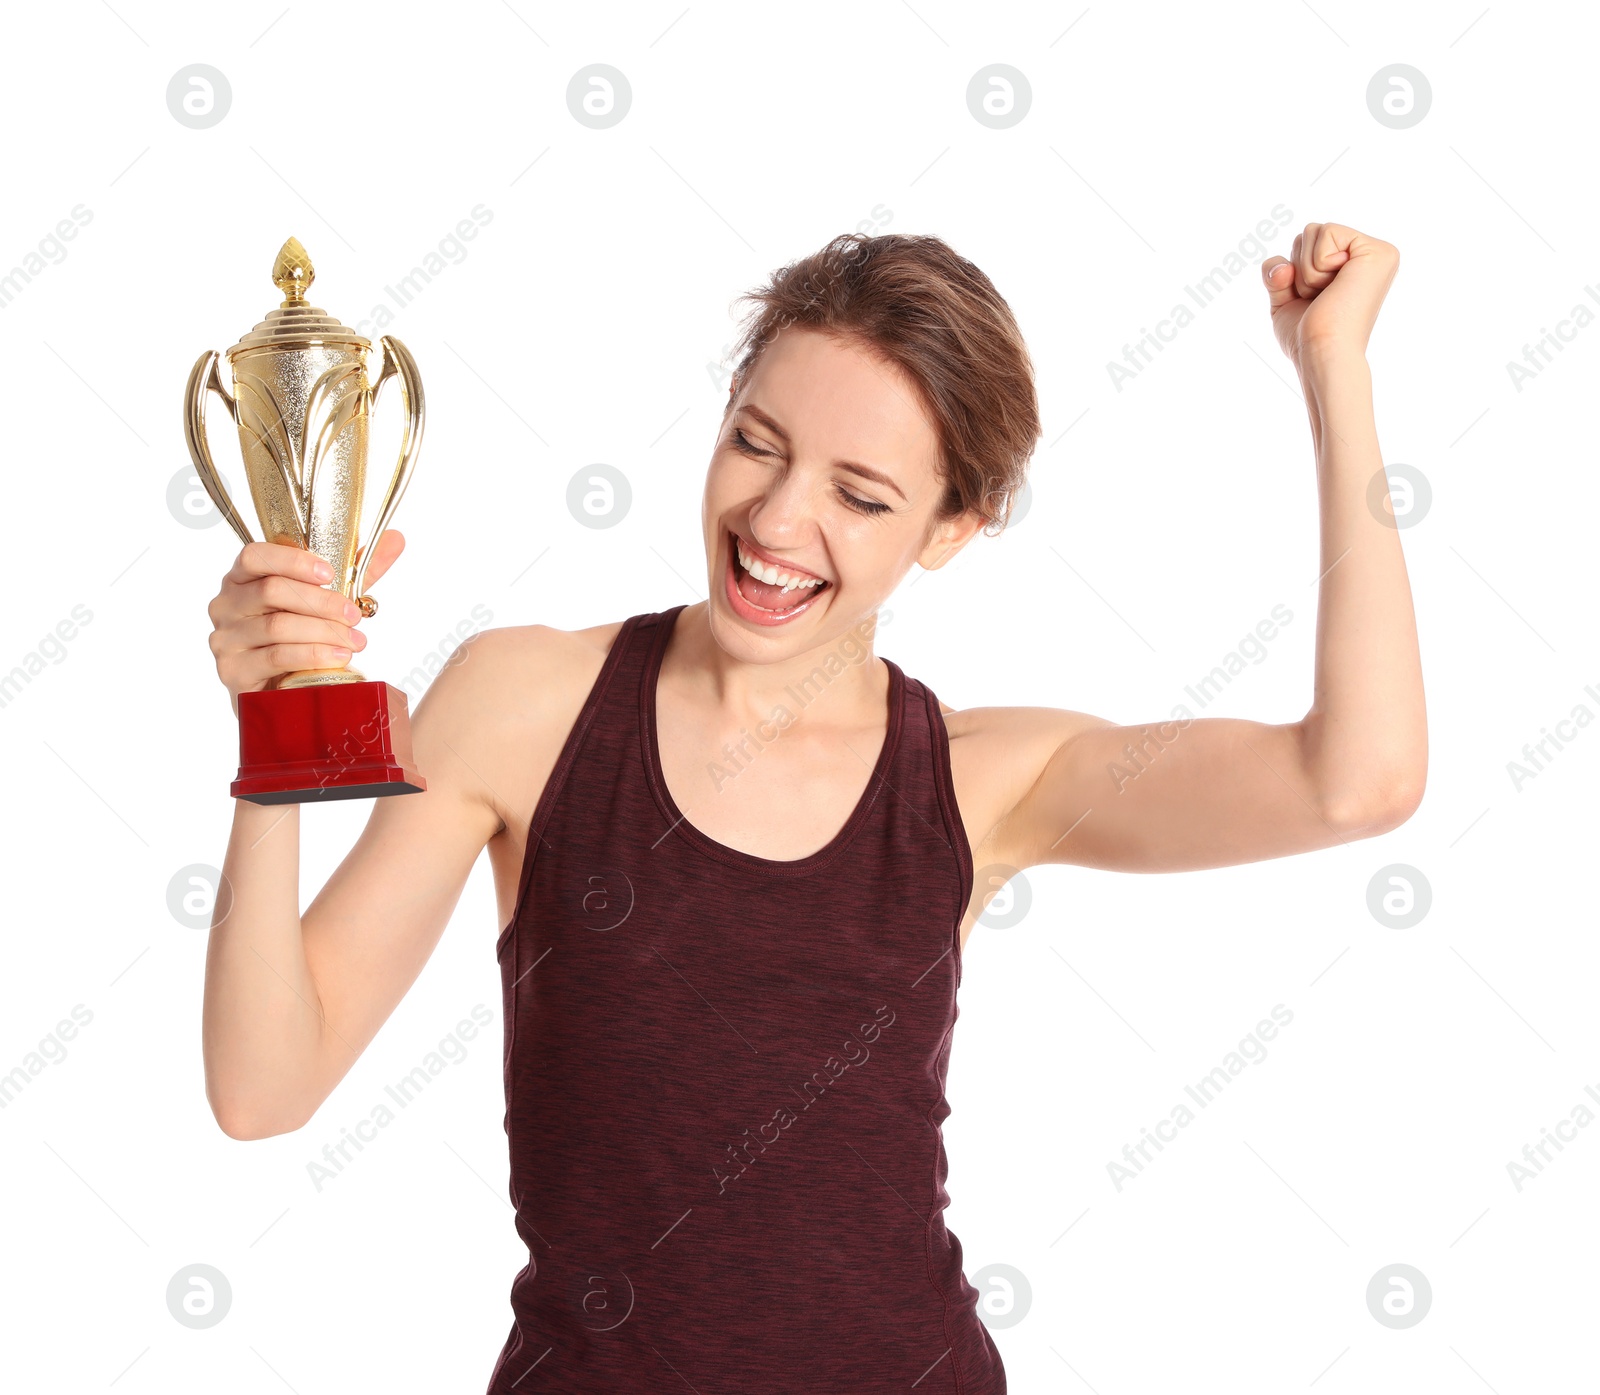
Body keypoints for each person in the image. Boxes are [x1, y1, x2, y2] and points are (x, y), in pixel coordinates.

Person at [201, 226, 1423, 1392]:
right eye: (757, 442)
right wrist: (273, 721)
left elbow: (1354, 780)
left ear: (953, 527)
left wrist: (1334, 371)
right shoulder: (523, 703)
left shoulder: (977, 778)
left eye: (863, 495)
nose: (778, 522)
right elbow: (266, 1084)